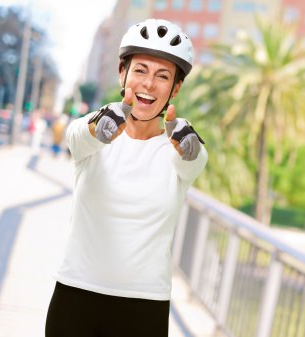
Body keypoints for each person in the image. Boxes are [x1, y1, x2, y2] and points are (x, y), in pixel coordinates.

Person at [45, 18, 208, 337]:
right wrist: (102, 125)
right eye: (141, 70)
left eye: (163, 76)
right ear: (123, 73)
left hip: (144, 306)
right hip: (75, 296)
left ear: (176, 88)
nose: (149, 84)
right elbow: (79, 136)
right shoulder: (91, 132)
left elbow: (194, 158)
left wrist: (188, 144)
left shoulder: (178, 147)